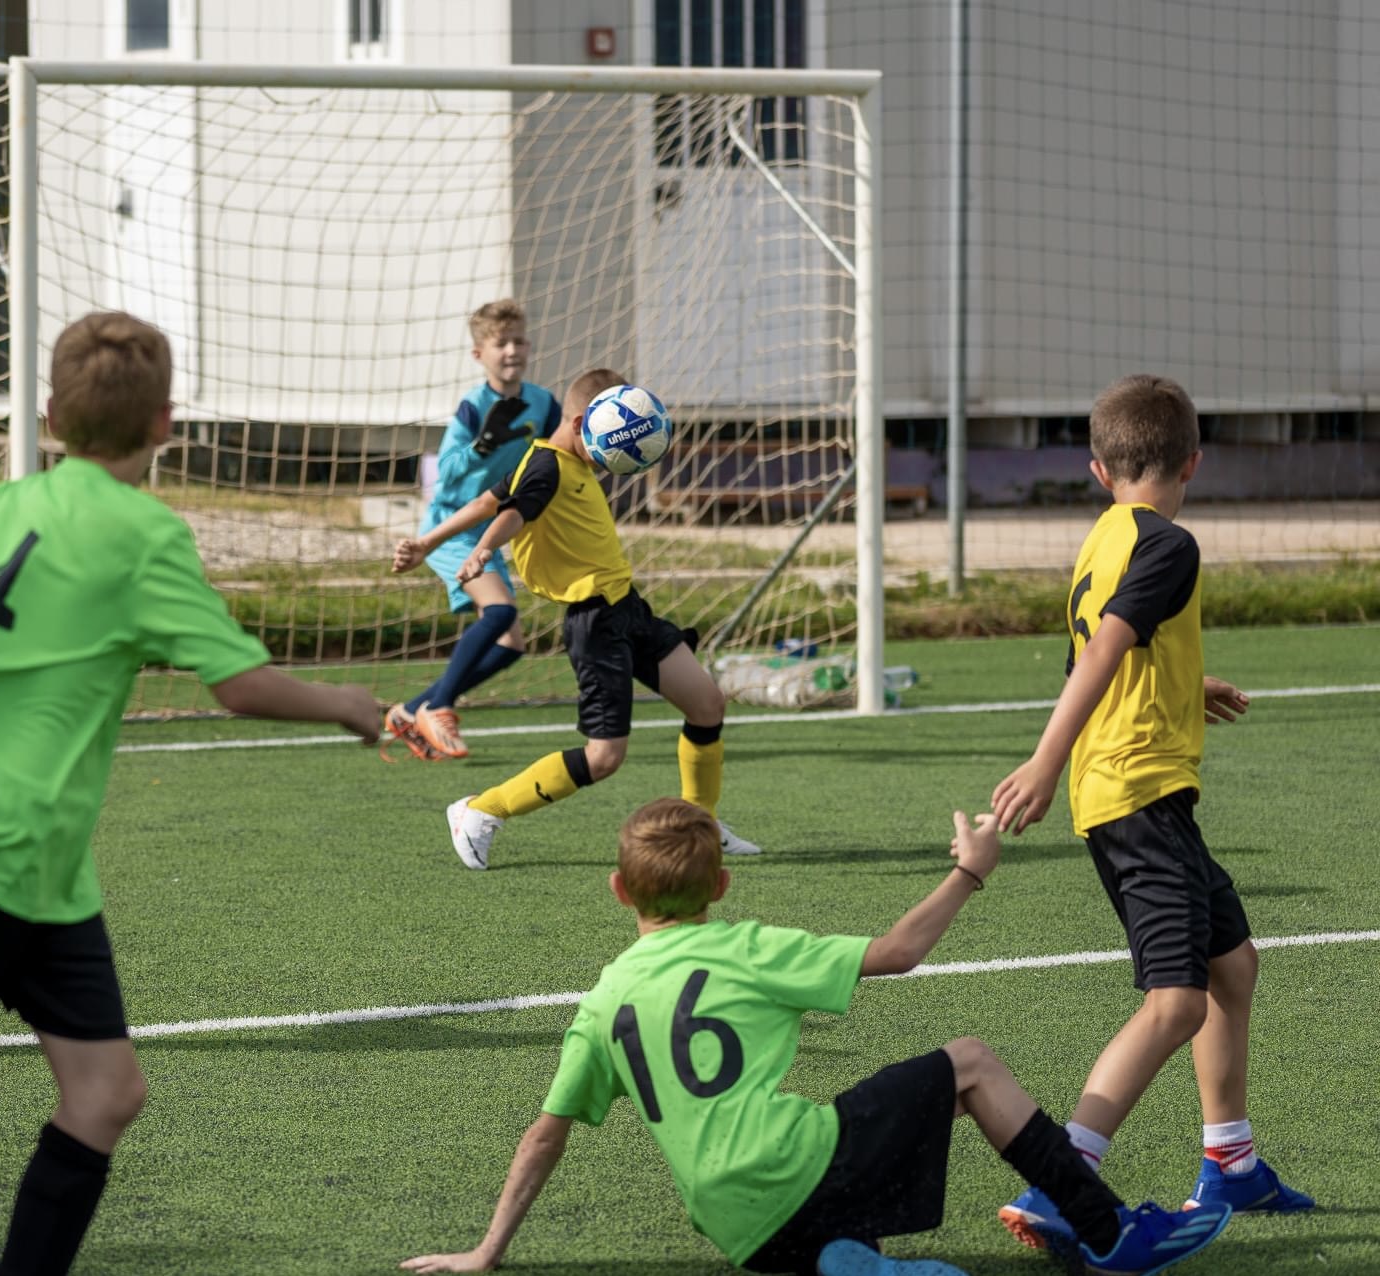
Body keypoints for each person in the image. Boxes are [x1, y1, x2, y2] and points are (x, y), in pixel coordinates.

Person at [0, 312, 383, 1276]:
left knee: (104, 1095)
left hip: (36, 870)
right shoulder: (146, 534)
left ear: (49, 415)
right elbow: (238, 684)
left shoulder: (12, 503)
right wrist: (350, 704)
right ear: (166, 425)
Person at [400, 798, 1234, 1276]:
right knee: (970, 1064)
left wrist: (486, 1251)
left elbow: (546, 1132)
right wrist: (970, 867)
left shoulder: (602, 1002)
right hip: (795, 1164)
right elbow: (901, 952)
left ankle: (845, 1259)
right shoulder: (744, 945)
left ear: (619, 891)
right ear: (721, 885)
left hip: (738, 1229)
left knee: (845, 1180)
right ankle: (1107, 1234)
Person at [989, 374, 1313, 1248]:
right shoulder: (1171, 543)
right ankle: (1064, 1180)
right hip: (1135, 795)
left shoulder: (1106, 537)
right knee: (1176, 1004)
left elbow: (1113, 647)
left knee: (1232, 967)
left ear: (1099, 469)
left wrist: (1181, 681)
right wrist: (1043, 761)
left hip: (1138, 790)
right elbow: (1102, 653)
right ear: (1194, 462)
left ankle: (1231, 1165)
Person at [392, 367, 760, 868]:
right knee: (604, 757)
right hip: (594, 624)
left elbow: (486, 499)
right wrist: (480, 551)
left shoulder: (568, 462)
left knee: (707, 703)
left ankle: (702, 823)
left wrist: (427, 542)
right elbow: (513, 512)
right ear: (586, 420)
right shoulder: (547, 466)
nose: (616, 461)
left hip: (628, 609)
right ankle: (480, 810)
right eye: (614, 446)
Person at [385, 299, 559, 761]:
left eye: (518, 340)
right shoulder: (473, 407)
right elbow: (450, 473)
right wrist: (484, 446)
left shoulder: (542, 404)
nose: (511, 351)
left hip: (491, 528)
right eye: (500, 343)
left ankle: (409, 711)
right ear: (479, 354)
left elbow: (560, 455)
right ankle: (439, 707)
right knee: (499, 614)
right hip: (449, 527)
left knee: (511, 645)